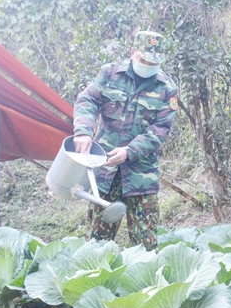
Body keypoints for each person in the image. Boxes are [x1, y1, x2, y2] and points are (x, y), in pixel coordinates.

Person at [72, 30, 178, 250]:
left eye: (153, 61)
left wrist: (129, 151)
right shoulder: (110, 74)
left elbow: (160, 130)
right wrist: (83, 131)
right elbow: (87, 100)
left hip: (142, 177)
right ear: (132, 52)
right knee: (98, 242)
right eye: (143, 59)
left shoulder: (167, 89)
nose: (147, 64)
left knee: (145, 244)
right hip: (104, 170)